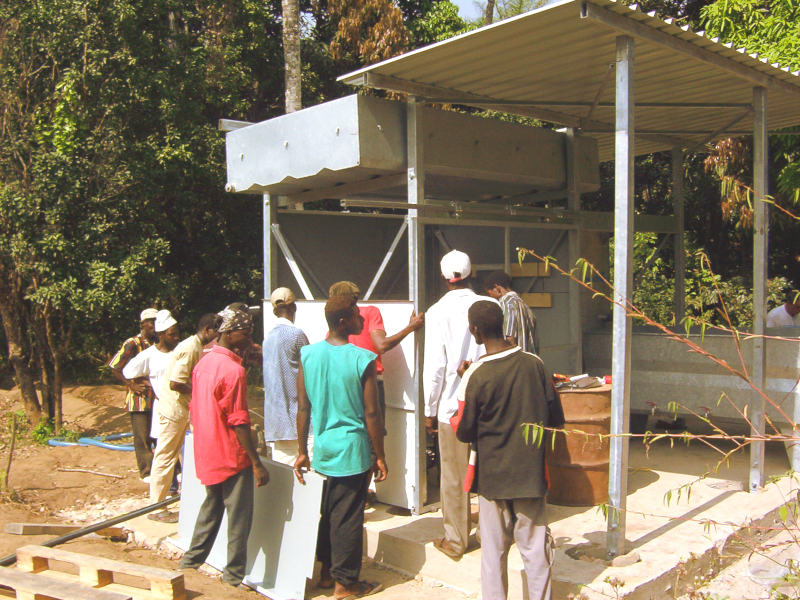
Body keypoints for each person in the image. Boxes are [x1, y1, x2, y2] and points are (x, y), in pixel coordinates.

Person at [454, 301, 564, 600]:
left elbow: (463, 431)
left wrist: (465, 376)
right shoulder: (535, 364)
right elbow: (557, 419)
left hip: (492, 478)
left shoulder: (476, 374)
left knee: (493, 553)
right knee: (535, 550)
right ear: (503, 325)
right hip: (531, 475)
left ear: (475, 331)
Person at [294, 295, 387, 599]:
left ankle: (325, 574)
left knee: (329, 514)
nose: (362, 321)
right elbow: (372, 413)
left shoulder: (308, 355)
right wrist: (380, 455)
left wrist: (302, 450)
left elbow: (303, 409)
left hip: (323, 450)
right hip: (352, 451)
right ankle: (345, 584)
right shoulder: (363, 359)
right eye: (358, 316)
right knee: (348, 518)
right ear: (344, 322)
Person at [179, 308, 269, 589]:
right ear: (229, 333)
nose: (249, 338)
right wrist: (256, 461)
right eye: (246, 333)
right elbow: (239, 421)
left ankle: (190, 562)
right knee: (239, 520)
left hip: (208, 449)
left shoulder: (203, 363)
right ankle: (232, 578)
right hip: (232, 454)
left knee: (212, 506)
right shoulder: (233, 370)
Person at [423, 249, 499, 560]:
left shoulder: (436, 312)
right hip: (490, 405)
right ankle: (489, 534)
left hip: (453, 408)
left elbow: (436, 366)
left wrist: (429, 410)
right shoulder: (491, 305)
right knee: (489, 472)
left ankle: (456, 540)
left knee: (453, 476)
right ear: (472, 273)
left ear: (443, 277)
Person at [148, 313, 221, 521]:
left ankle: (160, 504)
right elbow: (176, 382)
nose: (218, 335)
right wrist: (201, 390)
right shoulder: (190, 348)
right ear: (207, 330)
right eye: (216, 331)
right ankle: (156, 508)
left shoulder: (196, 346)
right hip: (173, 410)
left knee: (170, 456)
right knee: (165, 457)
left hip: (180, 409)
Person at [328, 281, 424, 425]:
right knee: (374, 434)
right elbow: (382, 345)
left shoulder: (334, 325)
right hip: (369, 382)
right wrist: (410, 327)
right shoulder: (369, 312)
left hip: (342, 384)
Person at [262, 288, 311, 466]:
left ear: (275, 311)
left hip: (276, 425)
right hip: (302, 423)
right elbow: (310, 372)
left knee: (287, 483)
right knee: (312, 481)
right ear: (294, 307)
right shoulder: (296, 335)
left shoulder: (268, 338)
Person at [108, 308, 158, 480]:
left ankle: (168, 471)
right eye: (151, 321)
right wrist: (130, 384)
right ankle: (146, 472)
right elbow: (115, 366)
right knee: (142, 437)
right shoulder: (133, 343)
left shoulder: (158, 343)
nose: (154, 325)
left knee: (159, 434)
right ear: (143, 323)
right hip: (139, 398)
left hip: (157, 396)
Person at [122, 310, 181, 445]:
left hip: (181, 406)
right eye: (172, 334)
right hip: (162, 407)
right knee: (162, 447)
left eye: (177, 334)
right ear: (160, 335)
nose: (177, 337)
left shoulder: (180, 351)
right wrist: (139, 383)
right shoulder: (146, 352)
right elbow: (127, 371)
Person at [483, 270, 540, 354]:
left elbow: (509, 339)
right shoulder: (526, 307)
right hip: (530, 362)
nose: (491, 298)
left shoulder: (507, 304)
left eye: (489, 294)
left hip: (515, 364)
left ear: (497, 289)